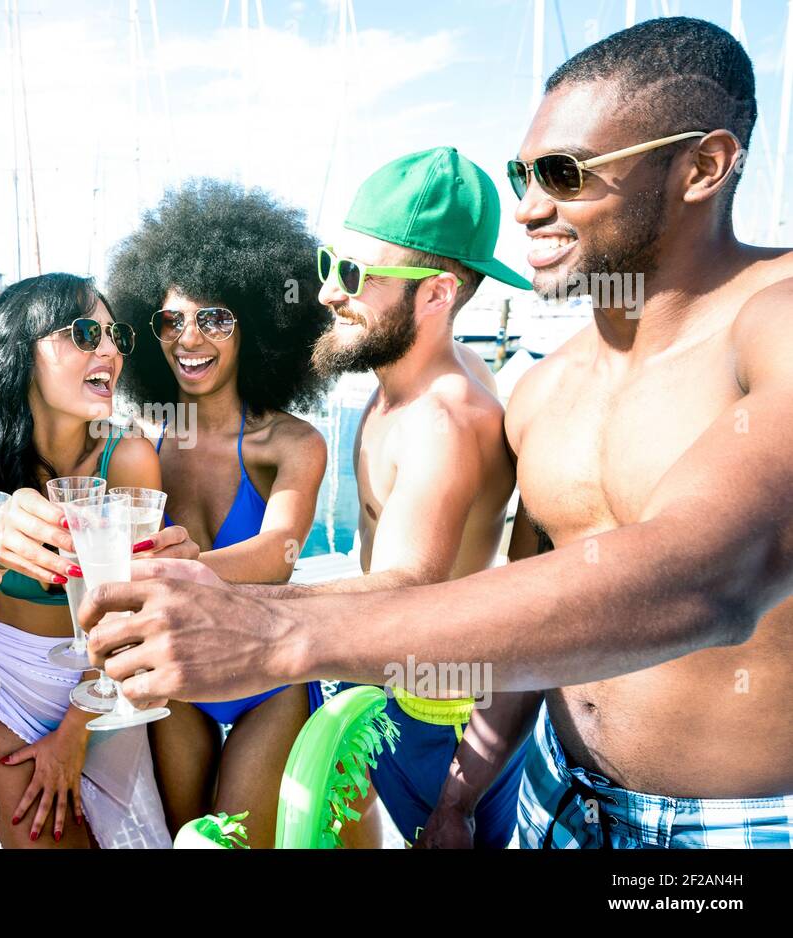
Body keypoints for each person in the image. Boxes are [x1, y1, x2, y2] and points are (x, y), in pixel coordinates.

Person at [81, 17, 793, 848]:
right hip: (554, 801)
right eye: (522, 173)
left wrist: (277, 628)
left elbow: (711, 575)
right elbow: (538, 610)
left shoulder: (774, 319)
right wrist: (464, 791)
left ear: (702, 165)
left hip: (737, 826)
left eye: (564, 174)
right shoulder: (545, 388)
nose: (528, 208)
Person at [306, 148, 537, 849]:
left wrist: (220, 604)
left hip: (431, 717)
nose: (326, 291)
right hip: (383, 685)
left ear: (436, 294)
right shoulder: (403, 372)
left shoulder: (443, 420)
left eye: (351, 274)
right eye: (327, 263)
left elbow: (400, 595)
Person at [105, 179, 330, 847]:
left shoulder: (290, 443)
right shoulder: (141, 443)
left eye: (215, 318)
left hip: (267, 676)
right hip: (176, 675)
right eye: (170, 320)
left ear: (258, 325)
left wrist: (187, 566)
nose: (188, 337)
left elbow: (278, 551)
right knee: (186, 841)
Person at [0, 272, 172, 848]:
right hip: (4, 687)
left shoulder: (130, 456)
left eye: (115, 334)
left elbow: (132, 618)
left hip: (105, 686)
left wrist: (76, 726)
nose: (111, 349)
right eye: (87, 332)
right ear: (23, 350)